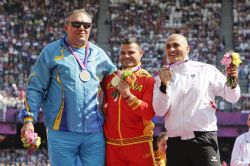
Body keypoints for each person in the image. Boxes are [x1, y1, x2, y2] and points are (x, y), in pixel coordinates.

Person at [19, 9, 116, 166]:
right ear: (66, 26)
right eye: (76, 24)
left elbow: (115, 84)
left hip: (94, 134)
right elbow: (35, 88)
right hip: (61, 133)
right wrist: (29, 119)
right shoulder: (51, 52)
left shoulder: (100, 54)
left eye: (86, 25)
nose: (81, 28)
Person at [152, 34, 241, 166]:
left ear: (188, 48)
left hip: (204, 139)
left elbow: (232, 97)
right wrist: (165, 85)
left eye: (176, 45)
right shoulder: (160, 78)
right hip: (176, 144)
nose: (171, 49)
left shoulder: (206, 70)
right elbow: (159, 111)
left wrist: (232, 81)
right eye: (168, 46)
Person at [101, 38, 156, 166]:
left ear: (141, 53)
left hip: (139, 144)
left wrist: (128, 96)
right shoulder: (110, 78)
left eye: (131, 52)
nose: (126, 56)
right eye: (122, 53)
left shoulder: (148, 80)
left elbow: (149, 113)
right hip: (113, 146)